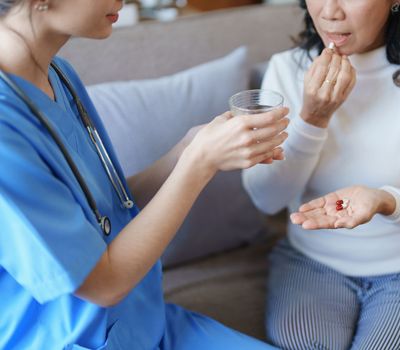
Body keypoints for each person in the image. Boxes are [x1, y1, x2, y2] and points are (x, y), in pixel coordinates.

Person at [0, 0, 289, 348]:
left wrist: (186, 149)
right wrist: (198, 163)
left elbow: (108, 208)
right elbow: (103, 285)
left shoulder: (58, 74)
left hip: (146, 322)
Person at [242, 0, 400, 349]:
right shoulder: (286, 71)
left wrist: (383, 200)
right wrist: (313, 119)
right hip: (313, 261)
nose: (330, 12)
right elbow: (267, 200)